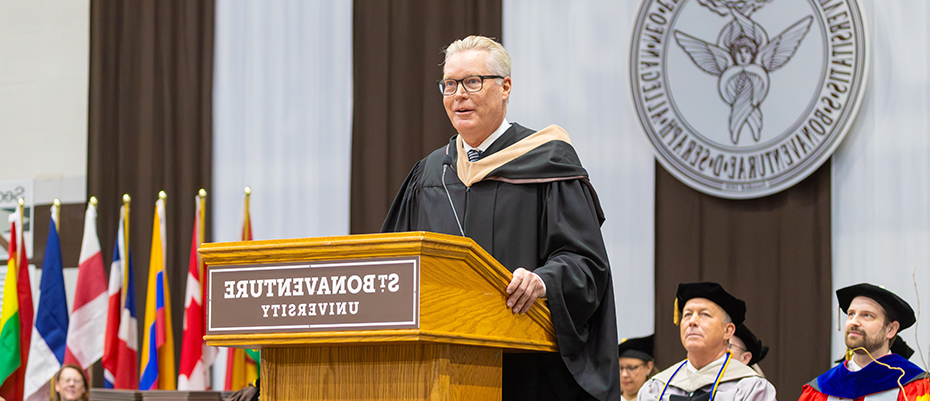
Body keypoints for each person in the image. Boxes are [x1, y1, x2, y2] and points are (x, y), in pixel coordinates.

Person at [381, 35, 620, 401]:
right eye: (449, 84)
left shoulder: (548, 163)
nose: (458, 94)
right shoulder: (429, 174)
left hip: (526, 371)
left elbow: (586, 265)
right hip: (438, 372)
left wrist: (543, 282)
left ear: (505, 87)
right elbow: (393, 263)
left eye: (472, 82)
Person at [638, 282, 776, 401]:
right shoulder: (656, 387)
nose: (692, 321)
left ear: (728, 331)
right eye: (687, 314)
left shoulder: (750, 388)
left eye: (704, 314)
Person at [798, 283, 930, 401]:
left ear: (891, 329)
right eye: (851, 314)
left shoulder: (915, 386)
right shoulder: (821, 389)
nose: (854, 321)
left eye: (867, 315)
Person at [619, 335, 659, 401]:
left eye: (631, 368)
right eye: (620, 368)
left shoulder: (659, 398)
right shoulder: (607, 398)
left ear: (649, 367)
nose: (624, 374)